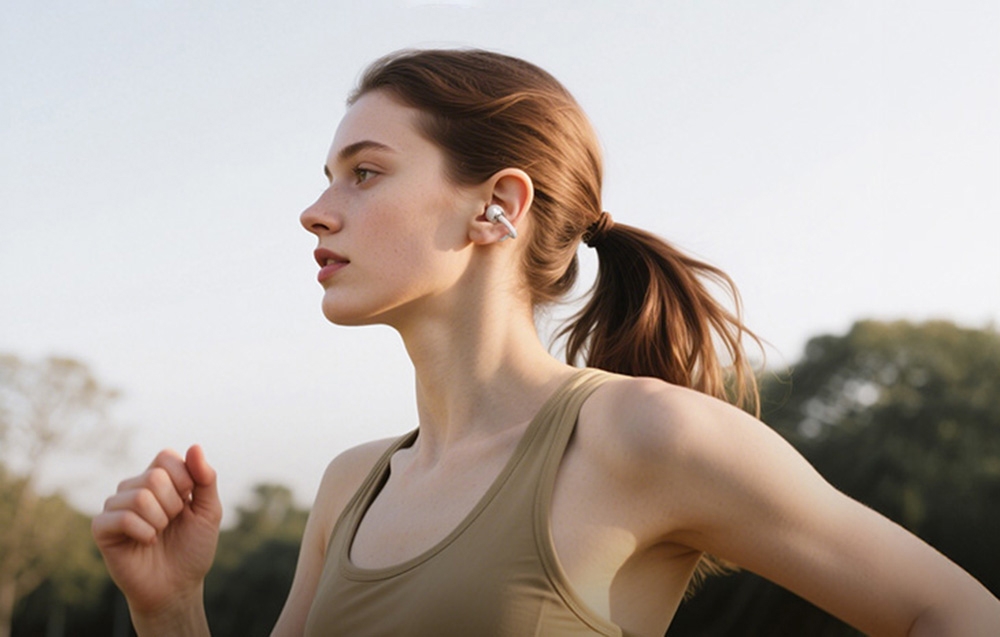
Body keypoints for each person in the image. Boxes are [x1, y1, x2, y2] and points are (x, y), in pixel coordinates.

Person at [92, 49, 1000, 636]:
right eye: (328, 176)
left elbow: (954, 611)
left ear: (500, 206)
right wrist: (169, 608)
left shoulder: (643, 435)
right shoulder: (350, 486)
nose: (316, 210)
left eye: (365, 173)